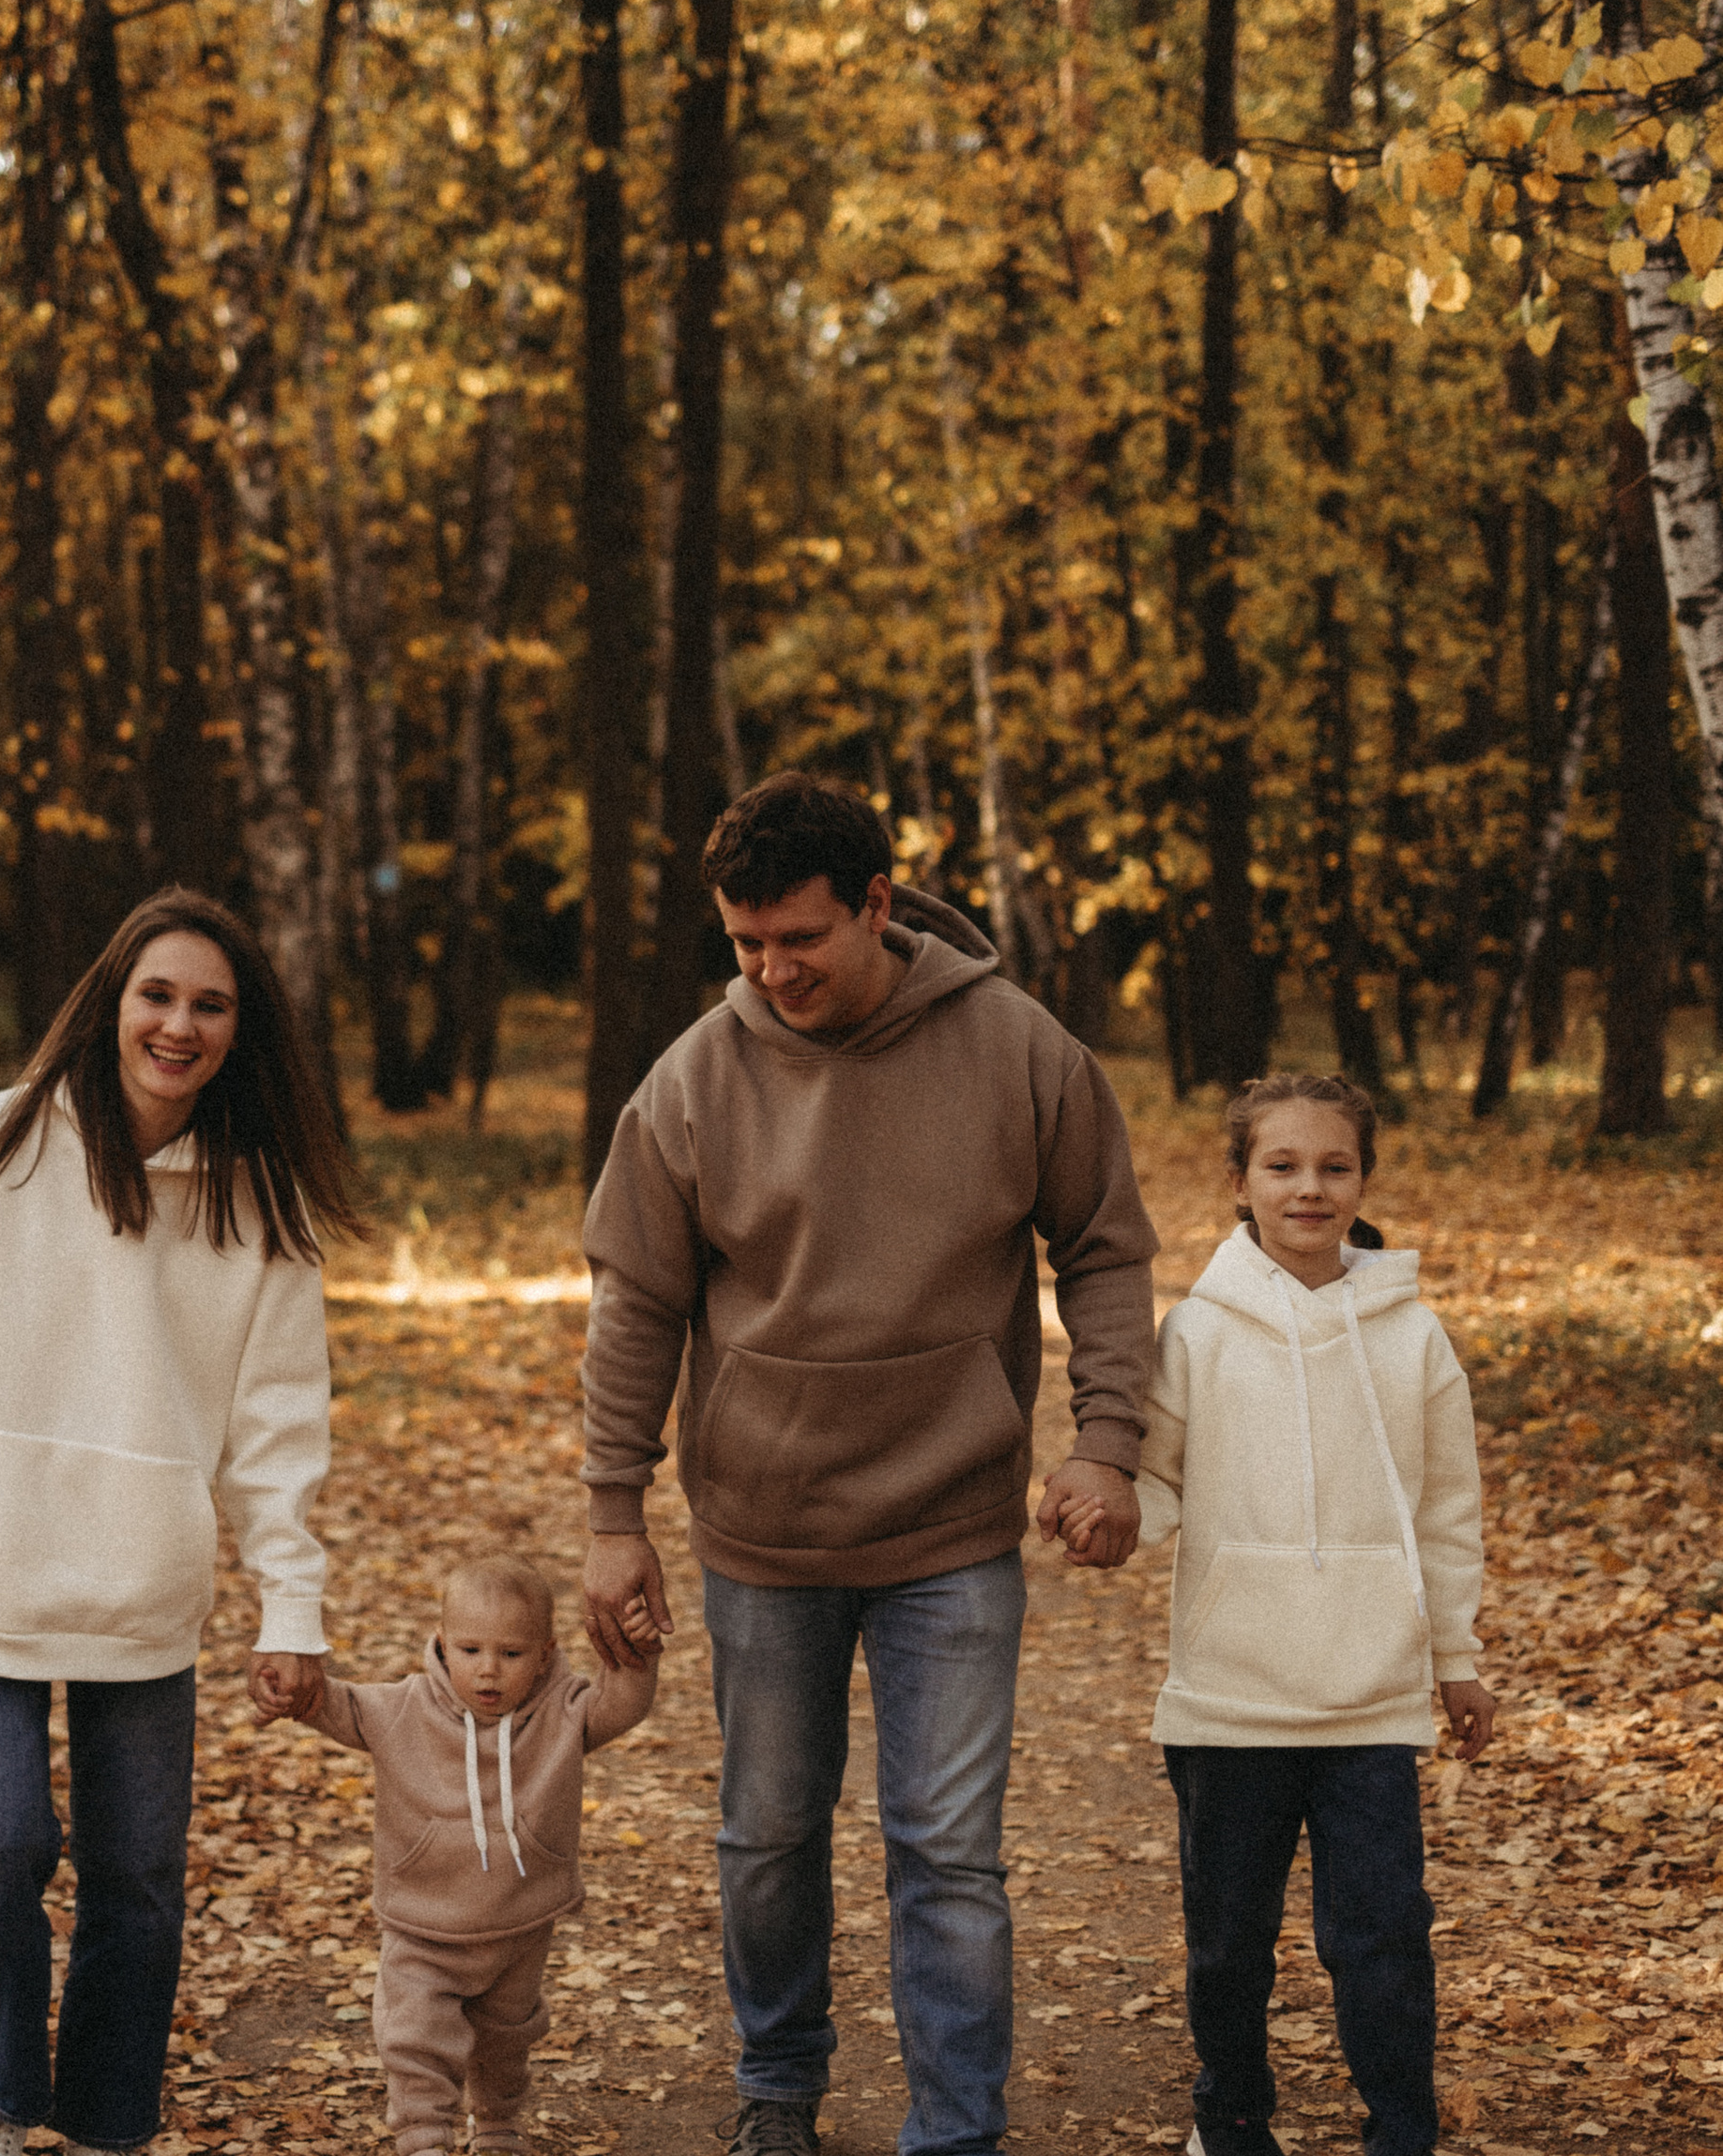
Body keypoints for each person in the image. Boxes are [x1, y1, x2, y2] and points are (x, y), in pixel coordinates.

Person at [577, 771, 1160, 2156]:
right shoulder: (696, 1080)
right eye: (745, 947)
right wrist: (613, 1512)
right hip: (763, 1530)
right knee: (768, 1840)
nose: (772, 973)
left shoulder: (1019, 1050)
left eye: (800, 940)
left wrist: (1110, 1441)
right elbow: (636, 1302)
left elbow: (1108, 1253)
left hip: (951, 1524)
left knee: (948, 1854)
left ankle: (955, 2129)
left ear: (879, 907)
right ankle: (780, 2088)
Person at [0, 887, 362, 2156]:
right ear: (111, 1001)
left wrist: (290, 1603)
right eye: (158, 995)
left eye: (209, 1005)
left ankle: (110, 2124)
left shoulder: (259, 1204)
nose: (178, 1025)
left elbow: (279, 1428)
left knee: (137, 1883)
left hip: (146, 1589)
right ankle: (8, 2095)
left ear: (239, 1031)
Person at [1056, 1073, 1494, 2156]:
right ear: (1240, 1181)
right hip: (1229, 1698)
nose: (1309, 1187)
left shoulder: (1412, 1336)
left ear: (1363, 1179)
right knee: (1228, 1942)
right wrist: (1101, 1511)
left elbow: (1443, 1509)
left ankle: (1402, 2131)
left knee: (1382, 1935)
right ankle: (1234, 2120)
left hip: (1371, 1700)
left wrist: (1457, 1656)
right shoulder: (1196, 1333)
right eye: (1282, 1166)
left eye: (1333, 1165)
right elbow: (1157, 1484)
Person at [289, 1555, 663, 2156]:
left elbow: (621, 1704)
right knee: (414, 2039)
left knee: (506, 2039)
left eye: (511, 1655)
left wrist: (635, 1659)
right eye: (469, 1651)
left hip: (520, 1922)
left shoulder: (564, 1711)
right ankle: (423, 2137)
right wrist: (294, 1689)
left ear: (544, 1653)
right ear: (441, 1644)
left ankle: (496, 2126)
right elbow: (333, 1704)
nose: (489, 1671)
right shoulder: (401, 1710)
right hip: (423, 1925)